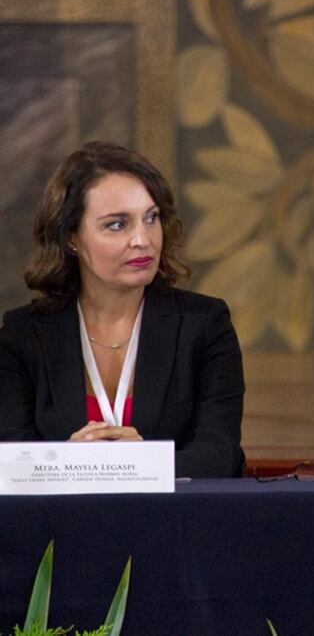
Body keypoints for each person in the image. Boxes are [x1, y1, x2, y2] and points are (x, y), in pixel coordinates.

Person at [0, 142, 245, 478]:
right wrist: (73, 462)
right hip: (61, 527)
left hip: (171, 523)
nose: (143, 240)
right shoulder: (23, 335)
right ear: (71, 236)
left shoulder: (204, 325)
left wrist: (138, 463)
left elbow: (221, 454)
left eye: (151, 218)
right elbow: (10, 459)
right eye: (117, 224)